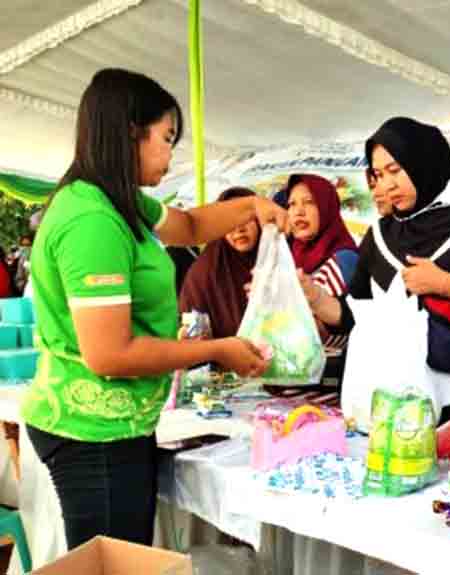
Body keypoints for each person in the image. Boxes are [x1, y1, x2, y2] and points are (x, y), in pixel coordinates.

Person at [20, 68, 287, 548]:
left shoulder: (119, 201)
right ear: (130, 133)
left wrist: (251, 205)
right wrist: (217, 349)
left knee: (126, 557)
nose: (170, 154)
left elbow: (189, 226)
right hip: (92, 431)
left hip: (116, 424)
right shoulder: (92, 220)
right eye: (166, 138)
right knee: (114, 564)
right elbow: (110, 353)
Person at [341, 117, 450, 428]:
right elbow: (353, 313)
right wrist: (311, 296)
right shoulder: (378, 236)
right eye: (379, 175)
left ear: (422, 161)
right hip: (402, 404)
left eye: (395, 170)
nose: (387, 185)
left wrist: (446, 284)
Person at [284, 173, 359, 351]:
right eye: (292, 204)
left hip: (333, 364)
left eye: (309, 202)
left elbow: (324, 332)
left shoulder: (344, 260)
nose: (298, 211)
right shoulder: (288, 257)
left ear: (327, 208)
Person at [178, 187, 260, 339]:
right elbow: (191, 329)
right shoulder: (204, 273)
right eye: (229, 221)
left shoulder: (276, 259)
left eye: (246, 218)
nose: (239, 228)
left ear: (259, 220)